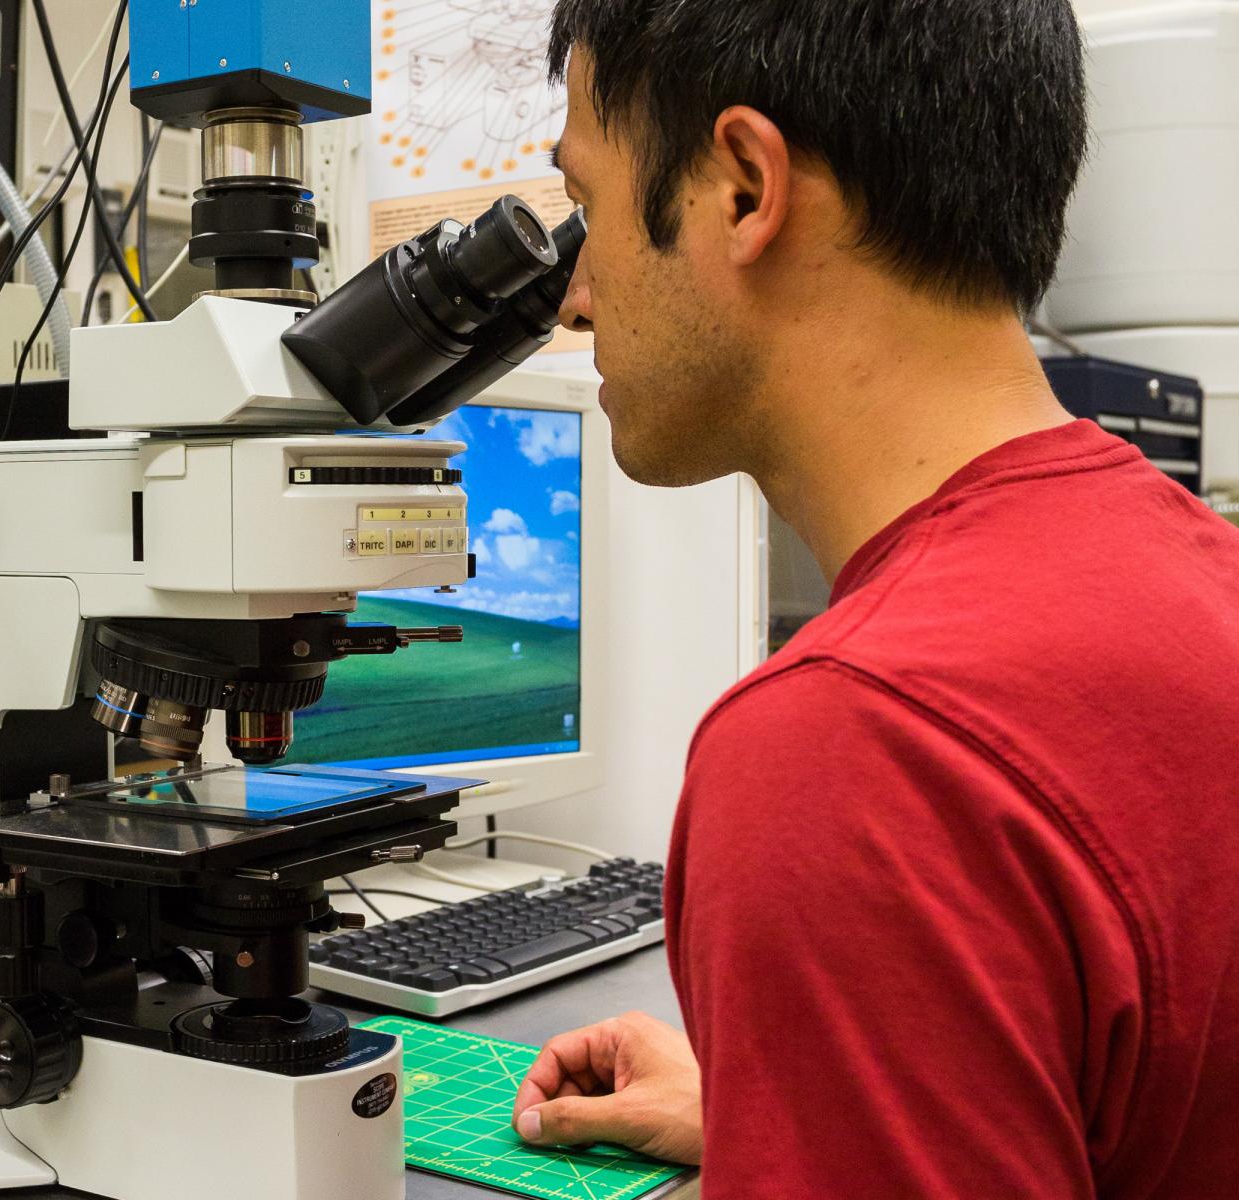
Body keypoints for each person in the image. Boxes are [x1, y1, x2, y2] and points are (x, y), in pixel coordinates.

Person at [514, 2, 1239, 1195]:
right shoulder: (1194, 569)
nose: (574, 297)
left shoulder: (853, 746)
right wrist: (803, 1098)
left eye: (587, 209)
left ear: (745, 187)